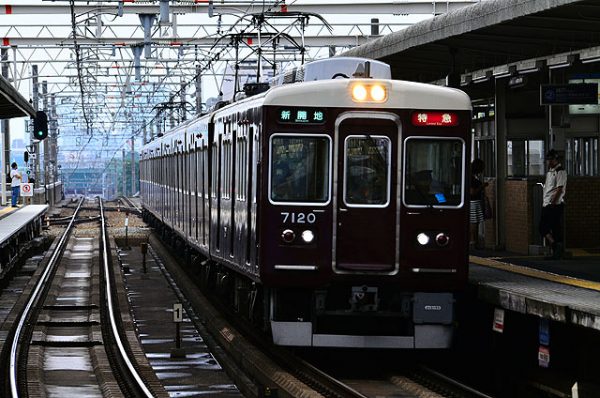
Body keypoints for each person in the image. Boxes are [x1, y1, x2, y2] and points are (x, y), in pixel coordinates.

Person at [539, 149, 567, 259]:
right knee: (544, 227)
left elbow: (559, 189)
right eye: (548, 160)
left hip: (554, 204)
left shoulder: (560, 171)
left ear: (556, 159)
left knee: (553, 228)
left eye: (551, 159)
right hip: (547, 204)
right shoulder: (550, 172)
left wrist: (553, 203)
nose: (549, 162)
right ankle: (556, 247)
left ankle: (556, 250)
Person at [469, 159, 488, 249]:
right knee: (474, 222)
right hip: (473, 203)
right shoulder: (472, 179)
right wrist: (482, 186)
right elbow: (472, 192)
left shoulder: (472, 177)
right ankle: (473, 241)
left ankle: (473, 240)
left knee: (474, 222)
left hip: (473, 202)